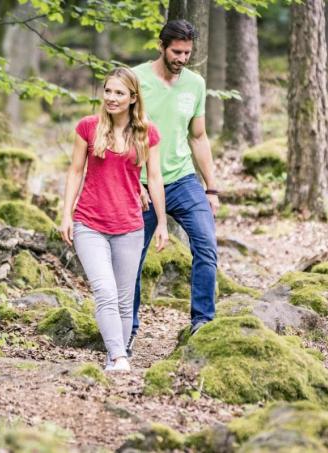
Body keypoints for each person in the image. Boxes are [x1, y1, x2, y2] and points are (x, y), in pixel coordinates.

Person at [59, 67, 169, 372]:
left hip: (130, 226)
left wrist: (161, 222)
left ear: (133, 98)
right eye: (107, 91)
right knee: (104, 291)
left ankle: (114, 357)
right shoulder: (88, 127)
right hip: (89, 223)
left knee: (124, 299)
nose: (111, 97)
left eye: (119, 93)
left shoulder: (147, 133)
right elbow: (75, 172)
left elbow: (155, 178)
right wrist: (66, 214)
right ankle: (120, 357)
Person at [128, 19, 220, 356]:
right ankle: (128, 328)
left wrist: (211, 188)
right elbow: (121, 132)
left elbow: (198, 136)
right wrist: (128, 180)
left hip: (182, 180)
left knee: (207, 244)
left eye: (187, 53)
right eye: (176, 52)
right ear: (162, 46)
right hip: (139, 184)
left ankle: (202, 321)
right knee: (131, 260)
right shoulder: (136, 80)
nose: (182, 58)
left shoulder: (195, 84)